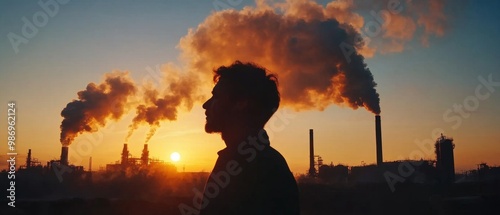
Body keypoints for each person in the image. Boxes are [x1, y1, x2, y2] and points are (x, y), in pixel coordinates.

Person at [200, 61, 300, 215]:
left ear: (241, 103)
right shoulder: (248, 160)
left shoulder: (254, 169)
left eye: (216, 96)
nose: (205, 105)